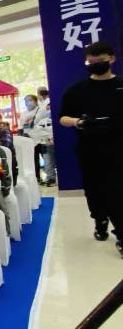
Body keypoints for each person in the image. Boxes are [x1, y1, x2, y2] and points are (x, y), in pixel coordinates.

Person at [59, 41, 122, 251]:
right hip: (90, 148)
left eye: (100, 60)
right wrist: (78, 122)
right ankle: (100, 219)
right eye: (90, 61)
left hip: (118, 148)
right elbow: (63, 118)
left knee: (117, 190)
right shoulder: (76, 91)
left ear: (111, 59)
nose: (95, 64)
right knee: (94, 189)